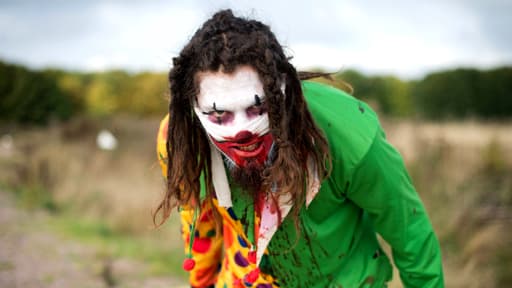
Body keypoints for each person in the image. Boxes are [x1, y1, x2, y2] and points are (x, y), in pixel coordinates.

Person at [155, 9, 444, 288]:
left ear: (282, 89)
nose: (240, 131)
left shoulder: (349, 137)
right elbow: (199, 218)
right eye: (220, 116)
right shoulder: (181, 141)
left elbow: (409, 232)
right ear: (192, 107)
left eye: (258, 108)